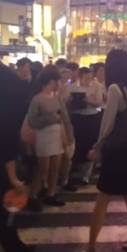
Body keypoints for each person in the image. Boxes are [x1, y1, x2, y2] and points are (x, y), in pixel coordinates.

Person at [87, 49, 127, 252]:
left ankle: (91, 246)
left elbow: (108, 124)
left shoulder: (114, 89)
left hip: (117, 152)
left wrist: (98, 146)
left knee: (102, 198)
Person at [27, 65, 73, 208]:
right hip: (44, 136)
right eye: (58, 80)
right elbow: (32, 121)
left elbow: (65, 118)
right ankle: (33, 196)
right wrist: (51, 119)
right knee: (43, 170)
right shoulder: (37, 99)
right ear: (52, 81)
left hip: (57, 135)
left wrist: (69, 134)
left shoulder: (58, 97)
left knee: (55, 168)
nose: (60, 83)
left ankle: (51, 194)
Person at [0, 61, 34, 252]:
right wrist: (13, 175)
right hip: (4, 160)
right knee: (5, 207)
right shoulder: (10, 82)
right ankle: (11, 243)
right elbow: (8, 132)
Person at [68, 67, 103, 185]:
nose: (88, 80)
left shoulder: (97, 86)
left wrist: (87, 100)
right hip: (77, 117)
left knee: (90, 144)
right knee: (78, 144)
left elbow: (99, 102)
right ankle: (74, 172)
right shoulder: (72, 86)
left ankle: (86, 175)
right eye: (85, 78)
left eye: (90, 77)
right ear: (80, 77)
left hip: (92, 117)